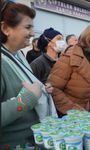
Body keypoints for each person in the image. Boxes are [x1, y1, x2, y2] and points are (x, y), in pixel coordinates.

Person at [0, 1, 56, 149]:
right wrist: (28, 98)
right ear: (5, 28)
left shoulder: (17, 55)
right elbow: (27, 95)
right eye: (27, 27)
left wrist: (42, 89)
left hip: (33, 141)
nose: (33, 33)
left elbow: (25, 84)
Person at [48, 23, 90, 114]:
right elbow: (54, 88)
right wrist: (76, 112)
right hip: (68, 117)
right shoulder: (70, 56)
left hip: (88, 118)